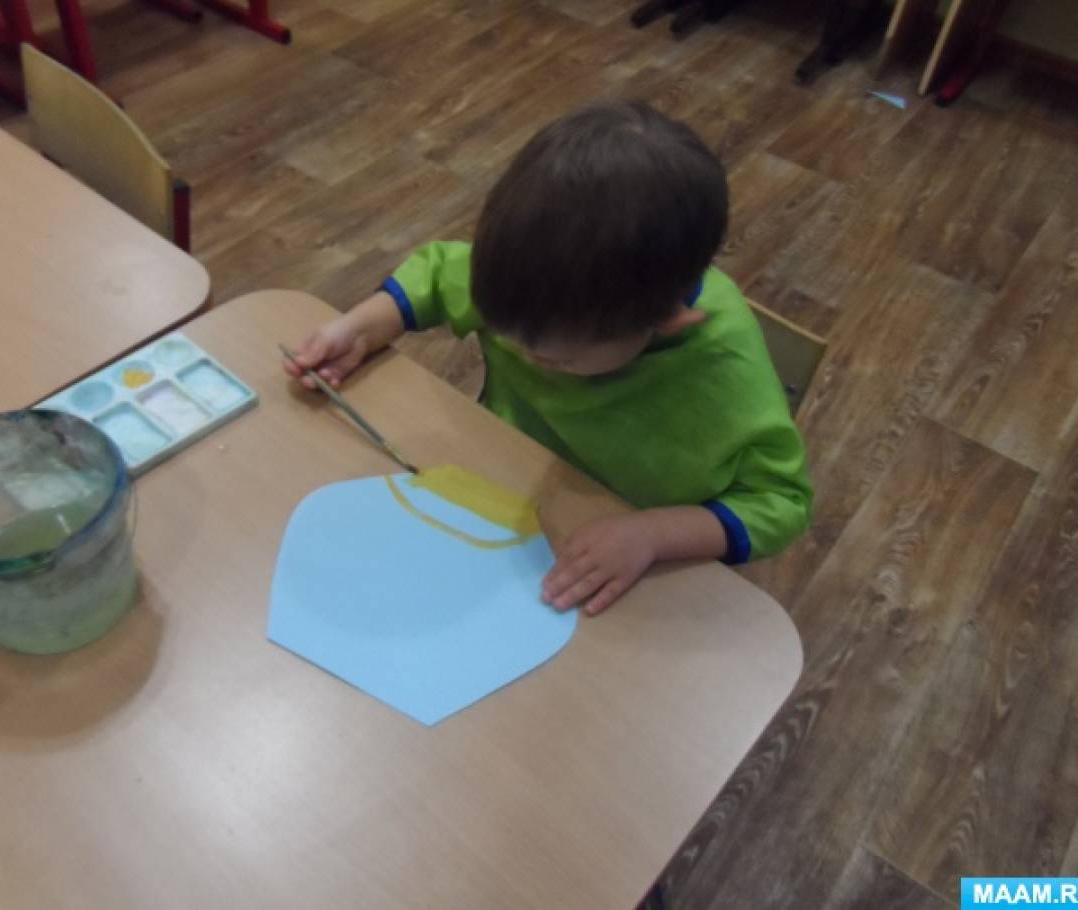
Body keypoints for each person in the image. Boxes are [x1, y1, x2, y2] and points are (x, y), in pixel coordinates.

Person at [286, 101, 812, 616]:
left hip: (623, 560)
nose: (527, 359)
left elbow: (781, 502)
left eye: (558, 361)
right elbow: (438, 274)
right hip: (506, 488)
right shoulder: (530, 278)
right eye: (509, 337)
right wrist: (362, 328)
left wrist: (654, 534)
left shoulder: (723, 369)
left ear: (665, 323)